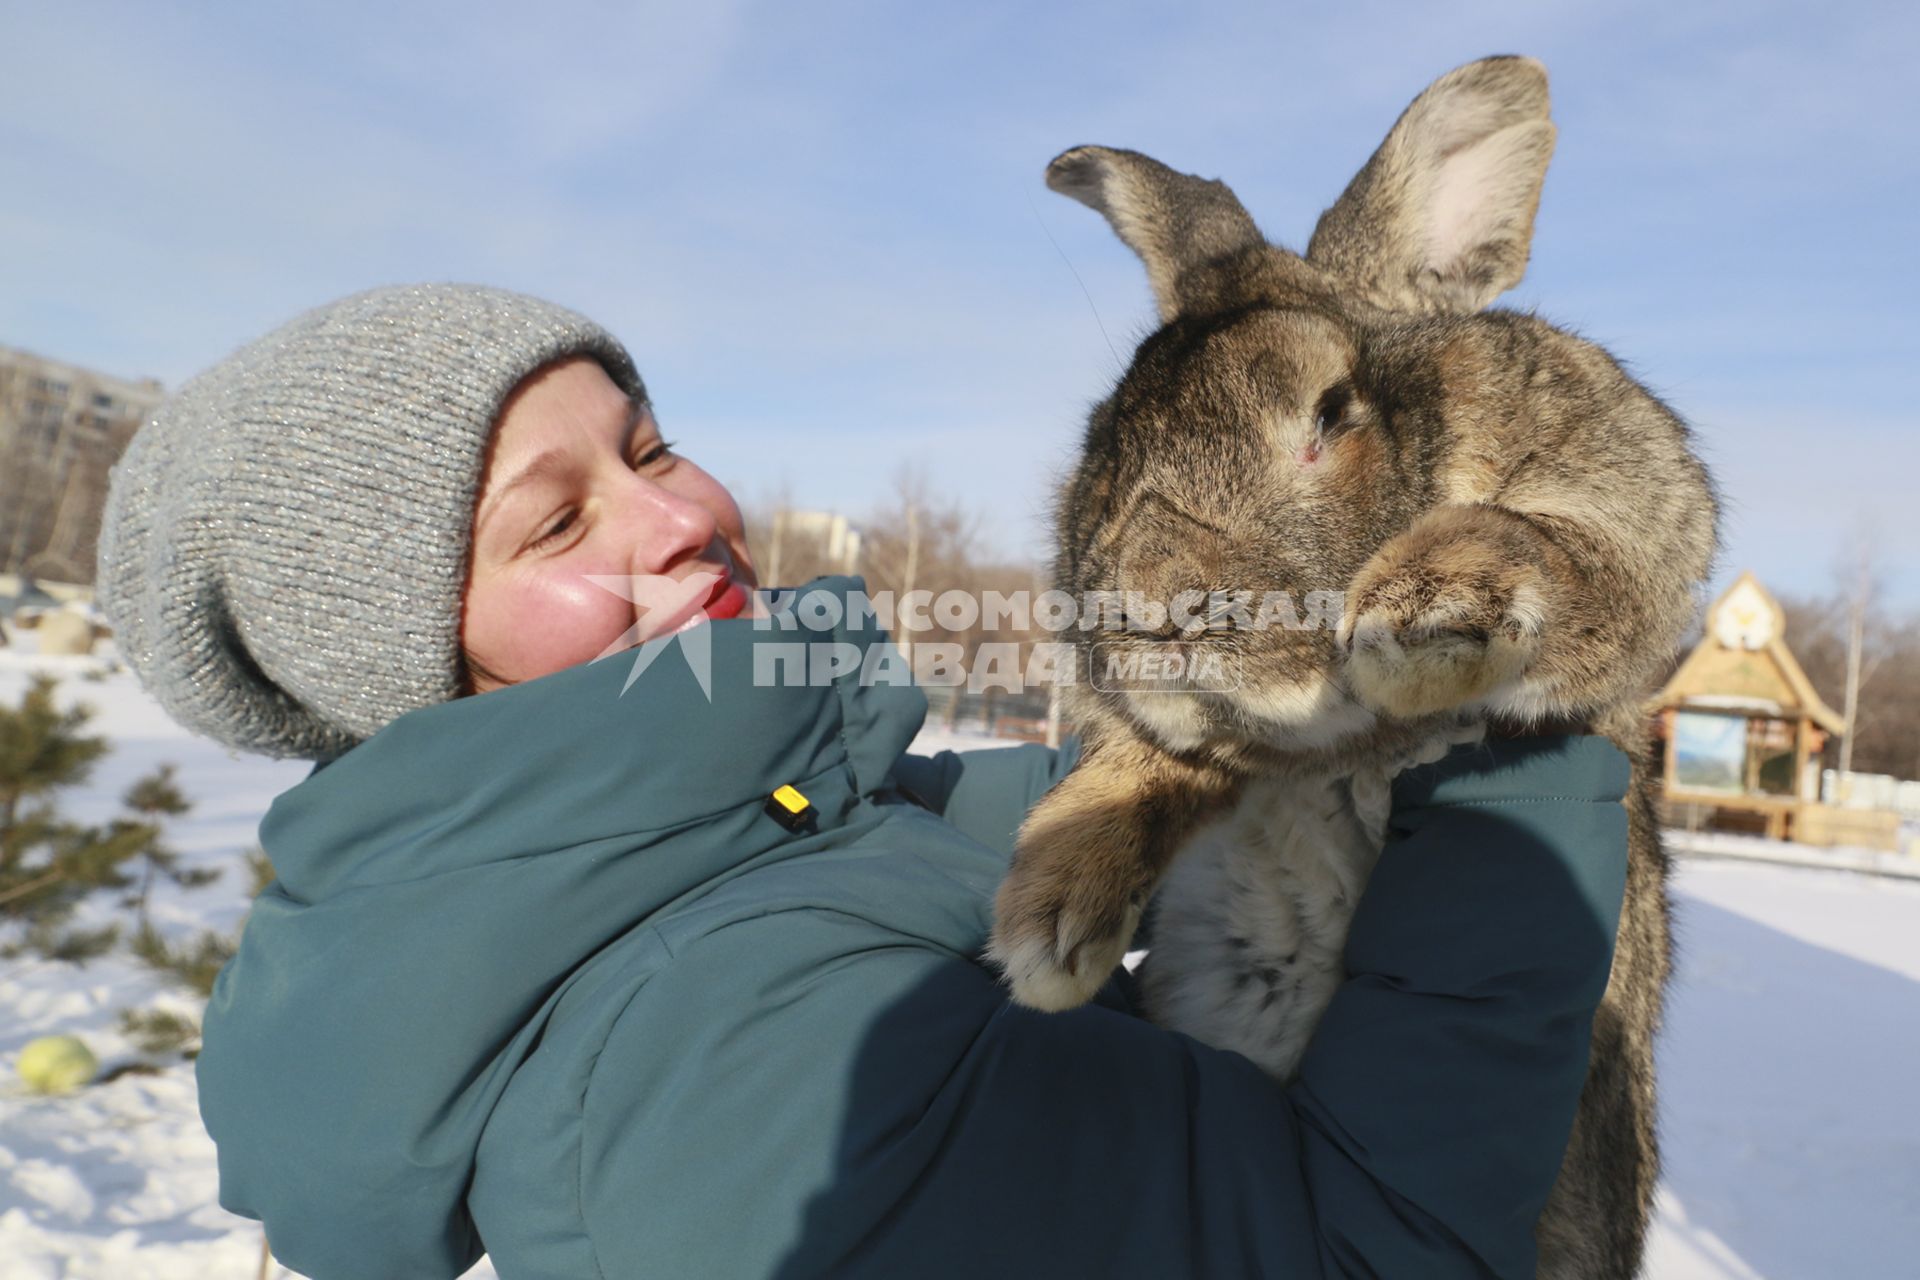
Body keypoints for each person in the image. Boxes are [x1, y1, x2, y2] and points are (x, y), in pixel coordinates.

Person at [97, 284, 1631, 1280]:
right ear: (411, 665)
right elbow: (1371, 1248)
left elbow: (1055, 815)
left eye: (652, 446)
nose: (677, 518)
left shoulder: (767, 828)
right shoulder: (717, 1066)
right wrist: (1505, 728)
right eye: (556, 527)